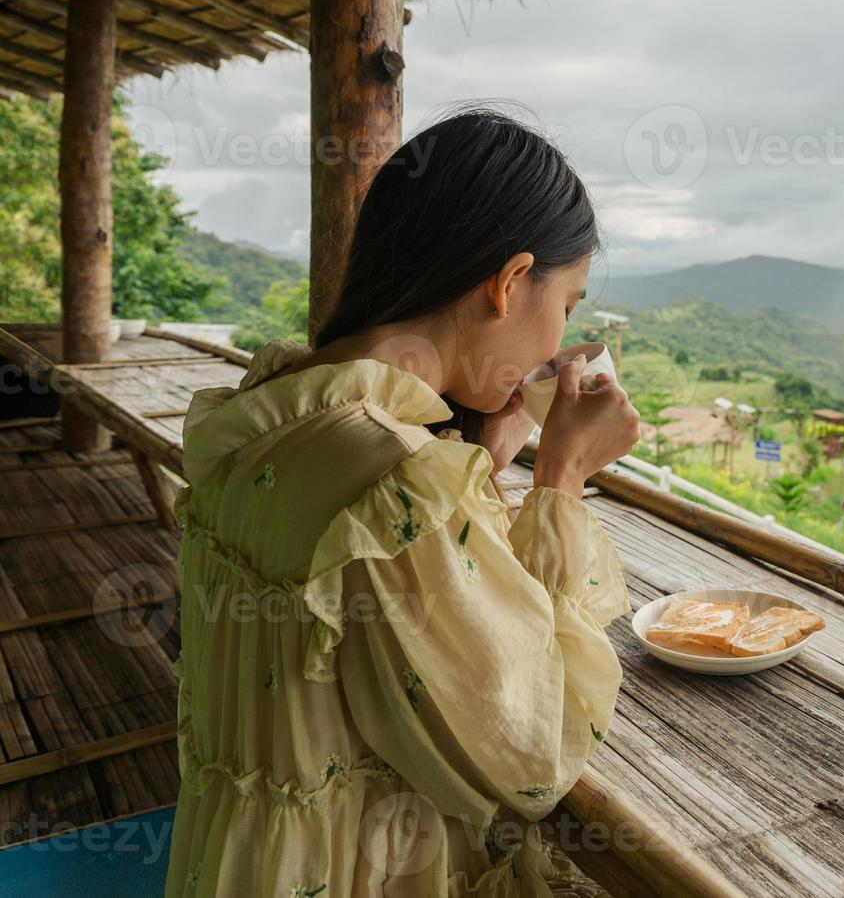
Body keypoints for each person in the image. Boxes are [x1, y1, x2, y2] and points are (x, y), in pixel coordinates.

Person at [164, 107, 641, 897]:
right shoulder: (394, 474)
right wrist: (562, 476)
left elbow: (384, 578)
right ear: (511, 280)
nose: (563, 330)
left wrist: (491, 444)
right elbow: (530, 759)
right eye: (569, 301)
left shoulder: (273, 407)